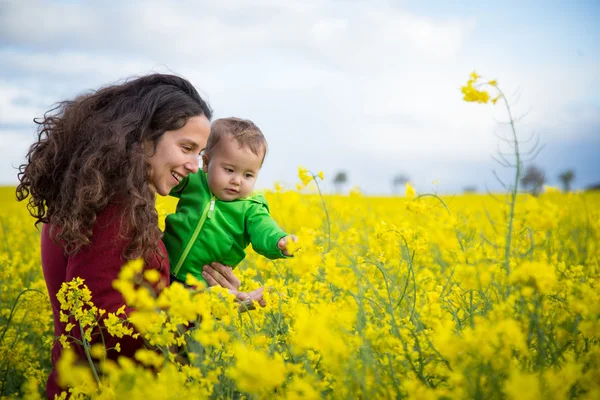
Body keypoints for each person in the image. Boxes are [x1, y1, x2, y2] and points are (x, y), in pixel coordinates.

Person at [16, 74, 264, 399]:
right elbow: (100, 325)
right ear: (143, 138)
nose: (194, 166)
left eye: (200, 153)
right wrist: (203, 306)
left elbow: (130, 298)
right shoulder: (110, 208)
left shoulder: (96, 195)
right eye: (186, 147)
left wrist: (206, 294)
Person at [165, 117, 296, 288]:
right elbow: (162, 178)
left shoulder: (251, 208)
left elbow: (264, 229)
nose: (237, 181)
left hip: (201, 285)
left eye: (248, 175)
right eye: (229, 170)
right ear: (206, 163)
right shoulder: (195, 181)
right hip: (162, 267)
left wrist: (280, 241)